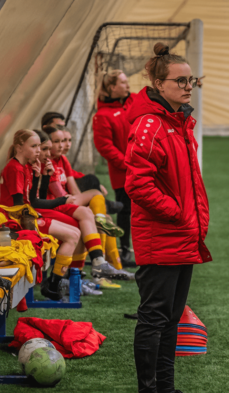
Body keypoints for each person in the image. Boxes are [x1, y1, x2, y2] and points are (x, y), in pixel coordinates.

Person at [125, 43, 211, 393]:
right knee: (154, 319)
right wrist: (176, 213)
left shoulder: (178, 123)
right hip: (161, 237)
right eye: (180, 81)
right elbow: (137, 184)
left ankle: (166, 390)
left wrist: (190, 220)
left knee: (172, 318)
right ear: (159, 84)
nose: (188, 87)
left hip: (181, 235)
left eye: (191, 80)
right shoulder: (150, 125)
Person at [0, 130, 131, 300]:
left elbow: (32, 200)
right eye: (37, 147)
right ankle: (64, 280)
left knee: (83, 220)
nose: (42, 152)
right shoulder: (16, 168)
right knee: (78, 227)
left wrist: (42, 177)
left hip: (30, 214)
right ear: (19, 147)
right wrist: (60, 200)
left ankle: (85, 270)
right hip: (19, 221)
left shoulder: (29, 166)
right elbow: (22, 206)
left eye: (41, 147)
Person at [43, 125, 125, 269]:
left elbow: (73, 189)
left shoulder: (62, 160)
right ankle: (92, 269)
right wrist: (78, 203)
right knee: (94, 198)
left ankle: (111, 268)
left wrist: (79, 201)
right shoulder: (46, 164)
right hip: (56, 206)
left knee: (102, 216)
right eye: (57, 141)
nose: (63, 145)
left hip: (65, 201)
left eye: (67, 140)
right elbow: (59, 196)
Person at [93, 69, 135, 266]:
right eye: (123, 82)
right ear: (112, 87)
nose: (128, 85)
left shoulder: (134, 101)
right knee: (126, 211)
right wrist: (127, 164)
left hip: (146, 169)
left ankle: (145, 249)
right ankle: (125, 250)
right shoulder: (102, 115)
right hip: (124, 173)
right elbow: (104, 146)